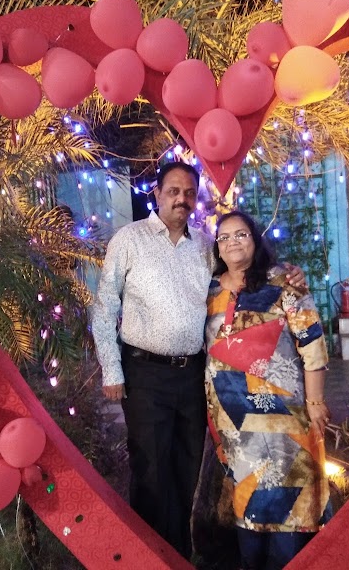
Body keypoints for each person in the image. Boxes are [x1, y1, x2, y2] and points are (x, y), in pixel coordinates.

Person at [91, 162, 307, 559]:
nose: (182, 199)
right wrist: (111, 369)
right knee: (151, 470)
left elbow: (241, 274)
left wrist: (287, 275)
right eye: (173, 191)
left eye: (189, 192)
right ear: (157, 194)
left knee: (186, 468)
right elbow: (105, 305)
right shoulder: (130, 239)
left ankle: (177, 556)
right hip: (144, 373)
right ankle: (148, 558)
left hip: (192, 375)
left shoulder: (207, 245)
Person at [204, 210, 331, 570]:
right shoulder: (208, 290)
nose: (232, 242)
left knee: (288, 503)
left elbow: (312, 343)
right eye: (224, 237)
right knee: (247, 502)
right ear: (217, 247)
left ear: (255, 239)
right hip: (233, 422)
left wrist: (315, 400)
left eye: (240, 234)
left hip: (283, 418)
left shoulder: (284, 283)